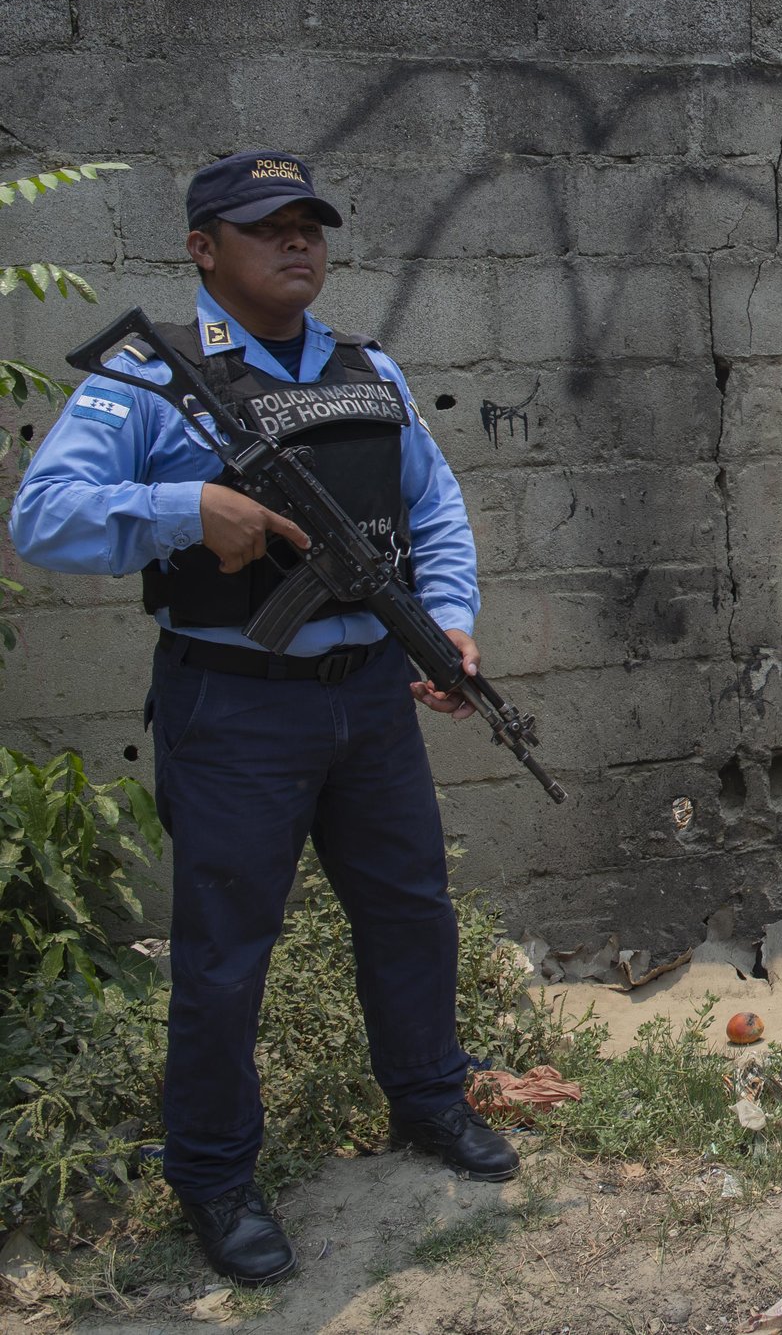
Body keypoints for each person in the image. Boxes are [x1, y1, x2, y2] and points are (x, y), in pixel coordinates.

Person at [9, 151, 519, 1284]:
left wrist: (449, 628)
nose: (298, 244)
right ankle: (213, 1174)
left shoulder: (367, 369)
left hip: (371, 704)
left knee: (410, 909)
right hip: (235, 708)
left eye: (309, 225)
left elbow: (434, 511)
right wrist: (181, 507)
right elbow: (44, 517)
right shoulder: (147, 379)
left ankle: (429, 1099)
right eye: (264, 227)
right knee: (227, 955)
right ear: (203, 249)